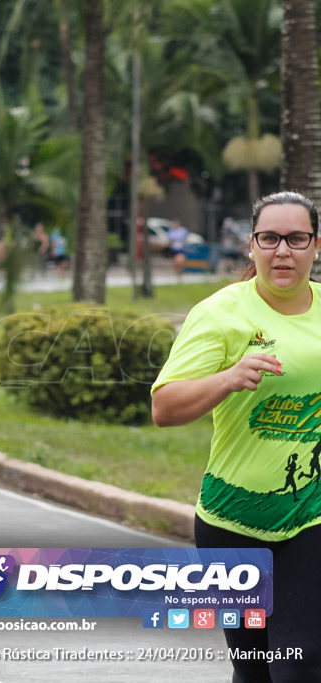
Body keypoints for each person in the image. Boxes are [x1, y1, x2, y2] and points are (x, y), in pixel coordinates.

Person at [152, 190, 321, 682]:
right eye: (269, 238)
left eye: (296, 238)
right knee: (255, 671)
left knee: (302, 667)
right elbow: (164, 407)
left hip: (310, 513)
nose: (282, 251)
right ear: (251, 246)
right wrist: (227, 378)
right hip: (232, 521)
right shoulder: (221, 313)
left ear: (316, 245)